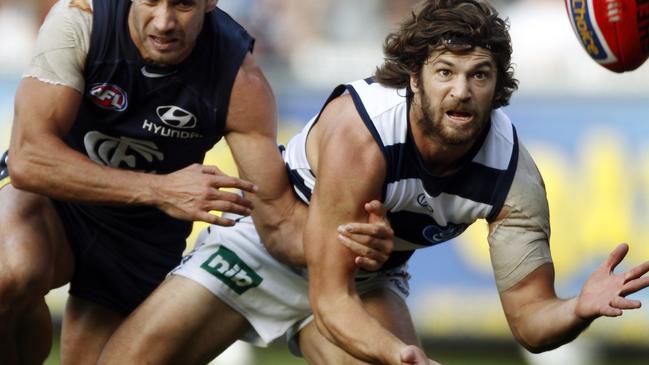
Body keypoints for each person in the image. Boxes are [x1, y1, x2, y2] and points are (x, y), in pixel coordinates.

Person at [98, 0, 649, 364]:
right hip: (265, 251)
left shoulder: (511, 176)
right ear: (414, 79)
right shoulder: (361, 132)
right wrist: (397, 352)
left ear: (498, 87)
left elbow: (530, 323)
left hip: (364, 279)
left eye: (479, 75)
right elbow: (325, 293)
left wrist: (576, 308)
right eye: (444, 73)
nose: (460, 92)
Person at [0, 0, 392, 364]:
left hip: (142, 234)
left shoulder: (238, 77)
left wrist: (348, 244)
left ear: (210, 1)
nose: (165, 21)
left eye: (184, 3)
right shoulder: (80, 20)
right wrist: (160, 189)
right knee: (11, 272)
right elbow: (29, 159)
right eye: (151, 0)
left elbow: (278, 223)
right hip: (56, 198)